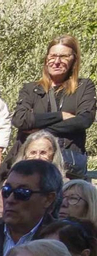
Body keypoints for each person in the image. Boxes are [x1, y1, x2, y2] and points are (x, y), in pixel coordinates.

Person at [10, 35, 95, 179]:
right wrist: (61, 116)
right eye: (53, 56)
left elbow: (84, 120)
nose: (56, 61)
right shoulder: (31, 89)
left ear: (74, 59)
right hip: (31, 165)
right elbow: (19, 120)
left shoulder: (84, 86)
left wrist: (40, 130)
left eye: (63, 57)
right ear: (46, 58)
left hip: (68, 166)